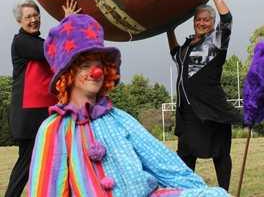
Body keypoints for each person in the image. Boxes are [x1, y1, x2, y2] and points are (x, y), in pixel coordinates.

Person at [27, 13, 232, 197]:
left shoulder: (119, 119)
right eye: (85, 65)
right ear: (67, 75)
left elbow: (163, 163)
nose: (95, 71)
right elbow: (46, 190)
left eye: (99, 65)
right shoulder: (53, 129)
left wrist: (201, 190)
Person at [166, 0, 242, 191]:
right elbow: (174, 52)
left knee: (220, 155)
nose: (202, 23)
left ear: (212, 23)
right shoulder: (186, 47)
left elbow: (228, 18)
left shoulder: (216, 42)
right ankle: (188, 192)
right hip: (188, 114)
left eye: (206, 20)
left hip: (212, 111)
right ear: (194, 23)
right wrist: (168, 29)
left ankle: (224, 192)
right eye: (198, 19)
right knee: (185, 156)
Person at [5, 0, 81, 197]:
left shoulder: (39, 41)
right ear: (20, 21)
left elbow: (62, 53)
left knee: (56, 160)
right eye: (28, 17)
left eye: (36, 15)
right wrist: (67, 22)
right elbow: (51, 50)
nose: (33, 20)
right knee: (26, 164)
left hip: (48, 112)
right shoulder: (21, 42)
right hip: (29, 116)